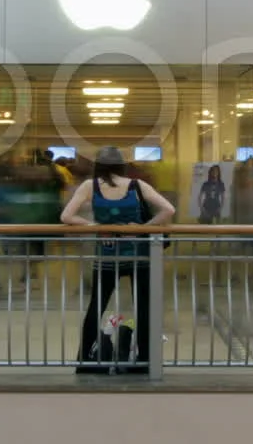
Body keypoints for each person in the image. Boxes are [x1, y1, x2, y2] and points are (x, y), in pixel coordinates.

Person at [62, 147, 175, 374]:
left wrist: (94, 226)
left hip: (106, 256)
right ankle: (144, 361)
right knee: (143, 309)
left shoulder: (90, 186)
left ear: (98, 166)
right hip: (139, 256)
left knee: (97, 307)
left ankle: (87, 359)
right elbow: (168, 209)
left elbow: (66, 217)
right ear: (122, 166)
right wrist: (144, 228)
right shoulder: (136, 186)